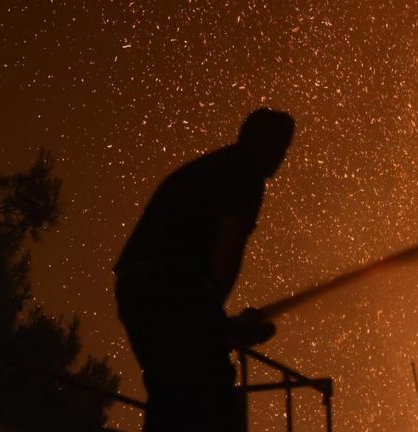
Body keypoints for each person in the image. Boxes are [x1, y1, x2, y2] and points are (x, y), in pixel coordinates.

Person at [114, 108, 295, 432]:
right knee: (211, 393)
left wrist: (215, 322)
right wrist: (216, 319)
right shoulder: (245, 174)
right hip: (166, 287)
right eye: (279, 147)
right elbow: (229, 244)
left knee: (173, 390)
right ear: (260, 142)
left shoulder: (214, 169)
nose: (282, 156)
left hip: (139, 287)